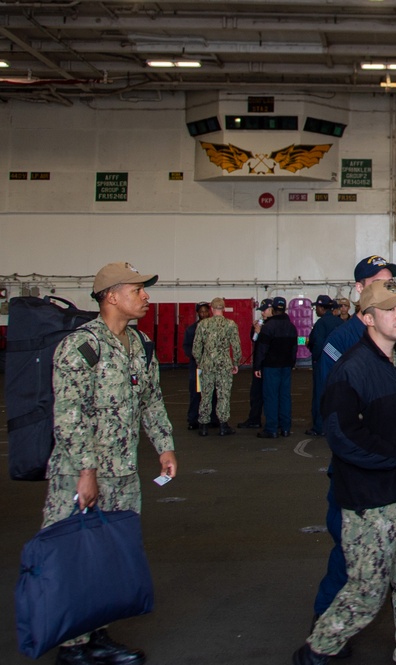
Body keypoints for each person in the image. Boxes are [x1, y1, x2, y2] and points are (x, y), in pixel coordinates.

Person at [293, 280, 396, 665]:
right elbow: (343, 436)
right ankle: (317, 650)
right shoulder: (351, 370)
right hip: (370, 501)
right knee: (367, 590)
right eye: (389, 308)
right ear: (366, 318)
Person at [44, 261, 177, 665]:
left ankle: (97, 635)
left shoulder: (140, 344)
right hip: (79, 475)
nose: (145, 296)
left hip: (123, 473)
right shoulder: (80, 347)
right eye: (138, 290)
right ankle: (73, 646)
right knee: (76, 557)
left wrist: (164, 446)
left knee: (110, 557)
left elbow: (151, 398)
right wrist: (86, 471)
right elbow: (68, 415)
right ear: (111, 296)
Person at [192, 297, 241, 436]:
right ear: (223, 309)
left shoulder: (203, 324)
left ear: (212, 309)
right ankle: (223, 425)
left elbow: (196, 347)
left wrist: (200, 361)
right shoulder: (231, 324)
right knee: (223, 395)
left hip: (206, 365)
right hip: (224, 365)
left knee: (205, 395)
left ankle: (203, 426)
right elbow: (236, 347)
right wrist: (236, 363)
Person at [254, 296, 298, 438]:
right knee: (285, 396)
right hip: (286, 366)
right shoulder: (291, 327)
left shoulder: (268, 327)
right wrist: (291, 364)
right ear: (284, 308)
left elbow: (262, 349)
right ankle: (285, 428)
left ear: (272, 309)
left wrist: (257, 367)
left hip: (271, 366)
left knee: (271, 396)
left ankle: (271, 429)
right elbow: (294, 349)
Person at [306, 294, 344, 437]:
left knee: (320, 396)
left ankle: (319, 427)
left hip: (323, 365)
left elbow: (318, 344)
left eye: (317, 307)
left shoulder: (321, 324)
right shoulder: (340, 322)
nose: (316, 310)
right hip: (340, 364)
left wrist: (316, 359)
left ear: (322, 308)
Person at [237, 298, 272, 429]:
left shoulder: (272, 326)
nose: (262, 313)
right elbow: (254, 341)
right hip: (259, 363)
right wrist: (255, 331)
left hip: (267, 364)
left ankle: (272, 420)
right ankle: (254, 418)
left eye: (264, 311)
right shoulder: (261, 324)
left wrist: (260, 333)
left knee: (269, 394)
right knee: (256, 393)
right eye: (261, 311)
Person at [183, 301, 214, 430]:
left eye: (206, 311)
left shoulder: (214, 328)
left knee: (213, 393)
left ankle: (213, 419)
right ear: (197, 313)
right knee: (196, 393)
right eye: (201, 311)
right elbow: (187, 347)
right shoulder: (192, 329)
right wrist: (198, 358)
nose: (204, 313)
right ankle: (193, 419)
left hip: (212, 366)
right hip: (198, 367)